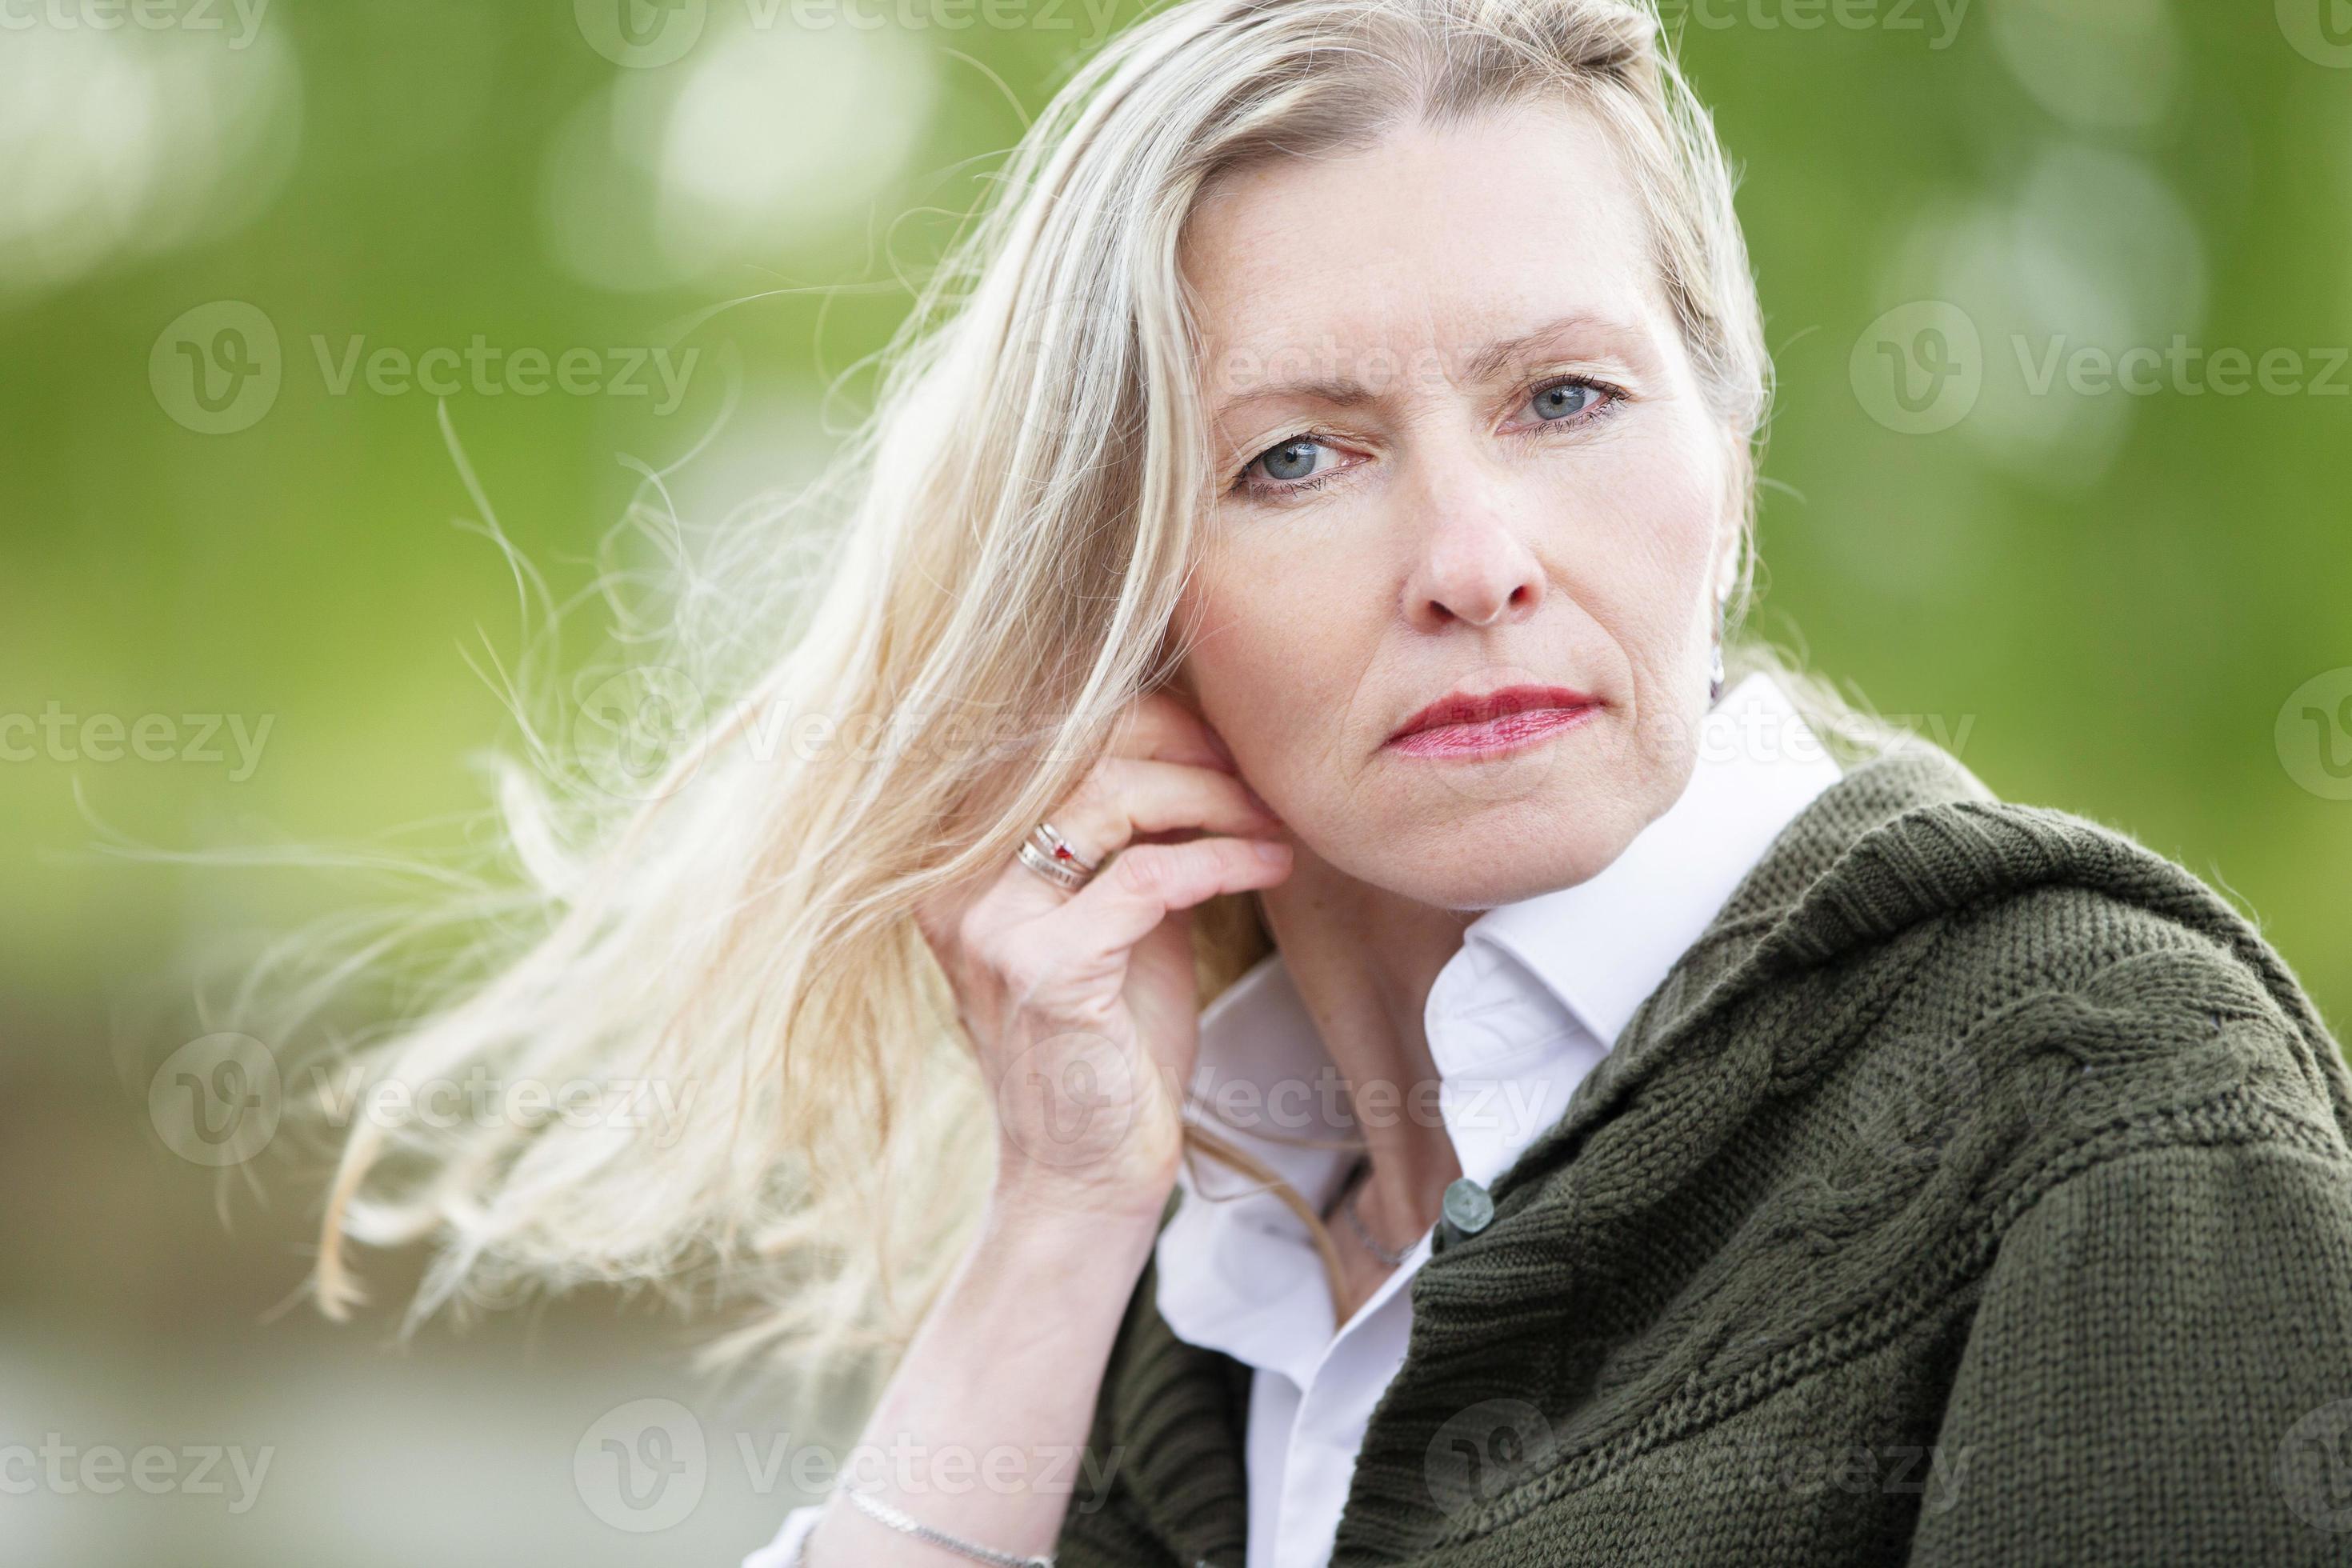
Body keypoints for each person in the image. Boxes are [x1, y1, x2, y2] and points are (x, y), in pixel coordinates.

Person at [297, 0, 2352, 1562]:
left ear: (1727, 458)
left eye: (1566, 397)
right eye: (1300, 455)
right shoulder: (1178, 1288)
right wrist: (1054, 1222)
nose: (1475, 560)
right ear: (1136, 592)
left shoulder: (2096, 1094)